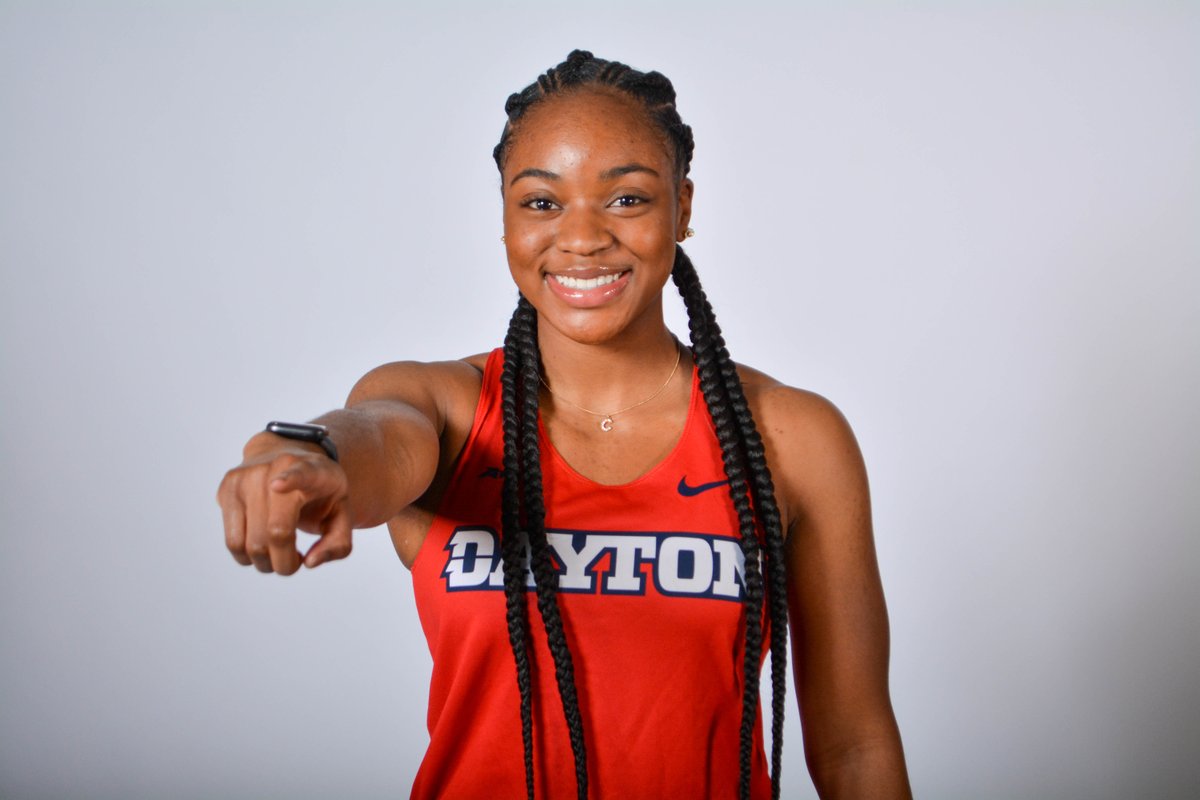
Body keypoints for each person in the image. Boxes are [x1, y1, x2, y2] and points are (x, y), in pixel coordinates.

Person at [217, 50, 911, 800]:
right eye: (542, 202)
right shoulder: (447, 408)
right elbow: (375, 436)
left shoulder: (789, 436)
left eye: (627, 199)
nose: (581, 238)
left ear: (682, 207)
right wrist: (304, 456)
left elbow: (854, 749)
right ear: (505, 218)